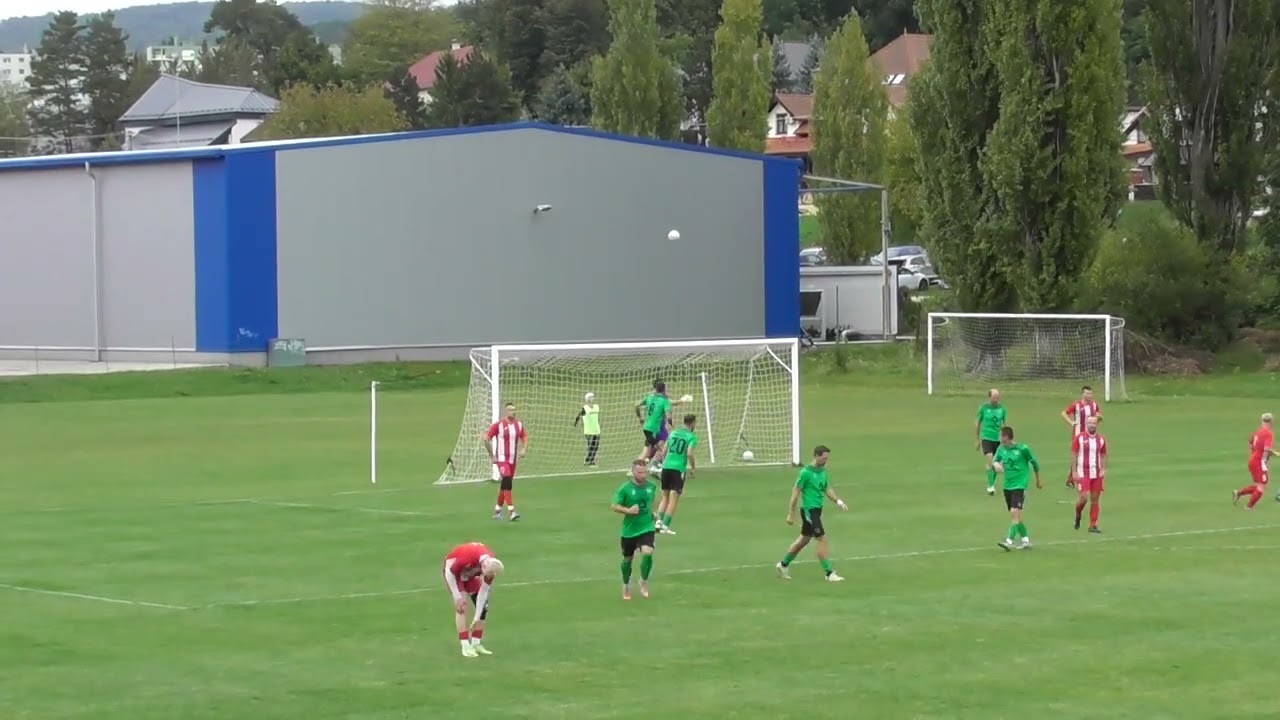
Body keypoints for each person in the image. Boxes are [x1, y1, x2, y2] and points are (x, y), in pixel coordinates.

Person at [776, 445, 849, 581]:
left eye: (827, 458)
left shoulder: (823, 471)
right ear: (816, 456)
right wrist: (791, 513)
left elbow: (826, 488)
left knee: (804, 540)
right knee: (821, 539)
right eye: (824, 458)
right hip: (809, 510)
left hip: (817, 510)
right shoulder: (805, 473)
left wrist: (838, 501)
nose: (826, 461)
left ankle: (783, 564)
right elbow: (795, 492)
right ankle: (829, 573)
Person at [442, 542, 504, 658]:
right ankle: (465, 645)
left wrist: (477, 616)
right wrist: (457, 596)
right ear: (483, 567)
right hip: (454, 573)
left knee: (483, 608)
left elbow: (483, 592)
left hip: (470, 572)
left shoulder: (491, 567)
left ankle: (476, 643)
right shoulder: (467, 557)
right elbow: (450, 572)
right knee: (461, 606)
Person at [611, 459, 659, 600]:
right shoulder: (625, 489)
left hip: (647, 527)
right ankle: (626, 585)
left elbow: (652, 501)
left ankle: (643, 581)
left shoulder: (651, 486)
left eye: (644, 472)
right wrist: (628, 511)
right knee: (627, 560)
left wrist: (653, 513)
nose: (643, 475)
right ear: (633, 472)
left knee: (648, 553)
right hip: (629, 530)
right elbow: (614, 506)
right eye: (639, 472)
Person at [992, 426, 1042, 550]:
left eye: (1000, 435)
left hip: (1019, 485)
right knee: (1016, 515)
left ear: (1006, 437)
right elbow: (995, 461)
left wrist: (1038, 480)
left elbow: (1034, 463)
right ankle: (1025, 540)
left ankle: (1009, 541)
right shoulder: (1001, 449)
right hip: (1007, 486)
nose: (999, 438)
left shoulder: (1023, 449)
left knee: (1015, 513)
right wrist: (996, 465)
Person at [482, 403, 527, 521]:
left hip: (513, 459)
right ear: (506, 411)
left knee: (505, 484)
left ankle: (497, 511)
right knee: (507, 479)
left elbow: (524, 436)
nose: (513, 412)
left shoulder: (518, 425)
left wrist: (524, 448)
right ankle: (511, 511)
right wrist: (492, 455)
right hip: (502, 458)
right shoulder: (498, 425)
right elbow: (486, 439)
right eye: (510, 410)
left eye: (514, 410)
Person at [655, 414, 698, 535]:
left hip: (666, 467)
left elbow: (664, 450)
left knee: (665, 496)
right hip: (678, 469)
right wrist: (693, 468)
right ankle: (665, 526)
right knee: (674, 498)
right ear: (692, 423)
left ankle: (658, 522)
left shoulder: (673, 433)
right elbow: (689, 453)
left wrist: (664, 463)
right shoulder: (691, 437)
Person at [1071, 416, 1107, 532]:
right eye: (1090, 423)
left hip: (1096, 473)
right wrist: (1074, 471)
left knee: (1095, 499)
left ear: (1097, 424)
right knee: (1084, 498)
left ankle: (1093, 525)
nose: (1092, 425)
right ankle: (1078, 513)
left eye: (1094, 423)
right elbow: (1074, 454)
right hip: (1083, 472)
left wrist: (1103, 469)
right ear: (1086, 424)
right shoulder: (1079, 438)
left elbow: (1103, 454)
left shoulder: (1101, 439)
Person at [1062, 386, 1103, 487]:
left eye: (1090, 393)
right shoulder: (1076, 404)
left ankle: (1078, 478)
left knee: (1087, 456)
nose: (1089, 395)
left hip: (1090, 435)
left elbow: (1098, 416)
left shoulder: (1094, 405)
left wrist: (1099, 417)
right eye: (1087, 393)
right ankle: (1071, 479)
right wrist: (1071, 422)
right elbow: (1064, 413)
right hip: (1078, 435)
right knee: (1076, 456)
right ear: (1083, 394)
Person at [1235, 413, 1278, 509]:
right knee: (1261, 488)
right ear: (1271, 422)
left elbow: (1250, 445)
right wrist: (1276, 453)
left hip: (1253, 460)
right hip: (1258, 462)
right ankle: (1249, 507)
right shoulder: (1268, 433)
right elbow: (1267, 449)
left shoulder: (1257, 432)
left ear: (1262, 421)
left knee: (1260, 485)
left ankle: (1238, 493)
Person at [976, 389, 1008, 496]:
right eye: (994, 397)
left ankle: (991, 484)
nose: (996, 399)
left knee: (995, 463)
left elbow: (1005, 424)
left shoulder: (1002, 409)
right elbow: (977, 423)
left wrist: (1006, 439)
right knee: (991, 459)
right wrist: (977, 439)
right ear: (989, 397)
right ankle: (990, 486)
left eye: (997, 397)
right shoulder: (983, 408)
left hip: (998, 439)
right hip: (986, 437)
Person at [635, 381, 673, 469]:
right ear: (664, 389)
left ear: (655, 389)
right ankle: (639, 467)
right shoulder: (665, 401)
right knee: (653, 448)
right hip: (654, 429)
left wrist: (640, 417)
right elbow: (668, 416)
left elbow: (636, 405)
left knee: (655, 447)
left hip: (646, 427)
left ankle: (651, 464)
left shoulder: (649, 397)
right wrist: (671, 424)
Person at [574, 392, 601, 467]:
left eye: (593, 397)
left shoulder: (596, 407)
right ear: (587, 399)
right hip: (589, 431)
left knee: (596, 446)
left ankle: (591, 460)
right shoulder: (585, 408)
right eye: (591, 397)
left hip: (596, 430)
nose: (593, 398)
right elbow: (579, 415)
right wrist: (575, 422)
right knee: (591, 446)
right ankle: (587, 460)